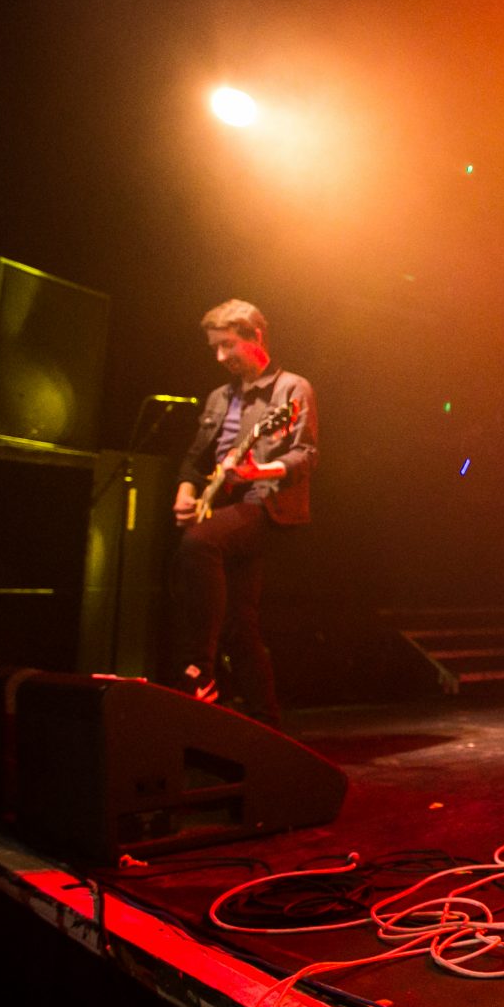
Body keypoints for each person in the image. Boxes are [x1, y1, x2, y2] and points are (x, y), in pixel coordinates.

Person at [169, 300, 317, 727]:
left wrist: (258, 470)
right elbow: (195, 459)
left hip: (266, 507)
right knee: (239, 624)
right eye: (215, 348)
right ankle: (266, 725)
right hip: (224, 507)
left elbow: (306, 455)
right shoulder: (219, 397)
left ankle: (200, 668)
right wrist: (186, 494)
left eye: (228, 345)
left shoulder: (291, 389)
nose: (220, 357)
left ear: (256, 337)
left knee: (198, 543)